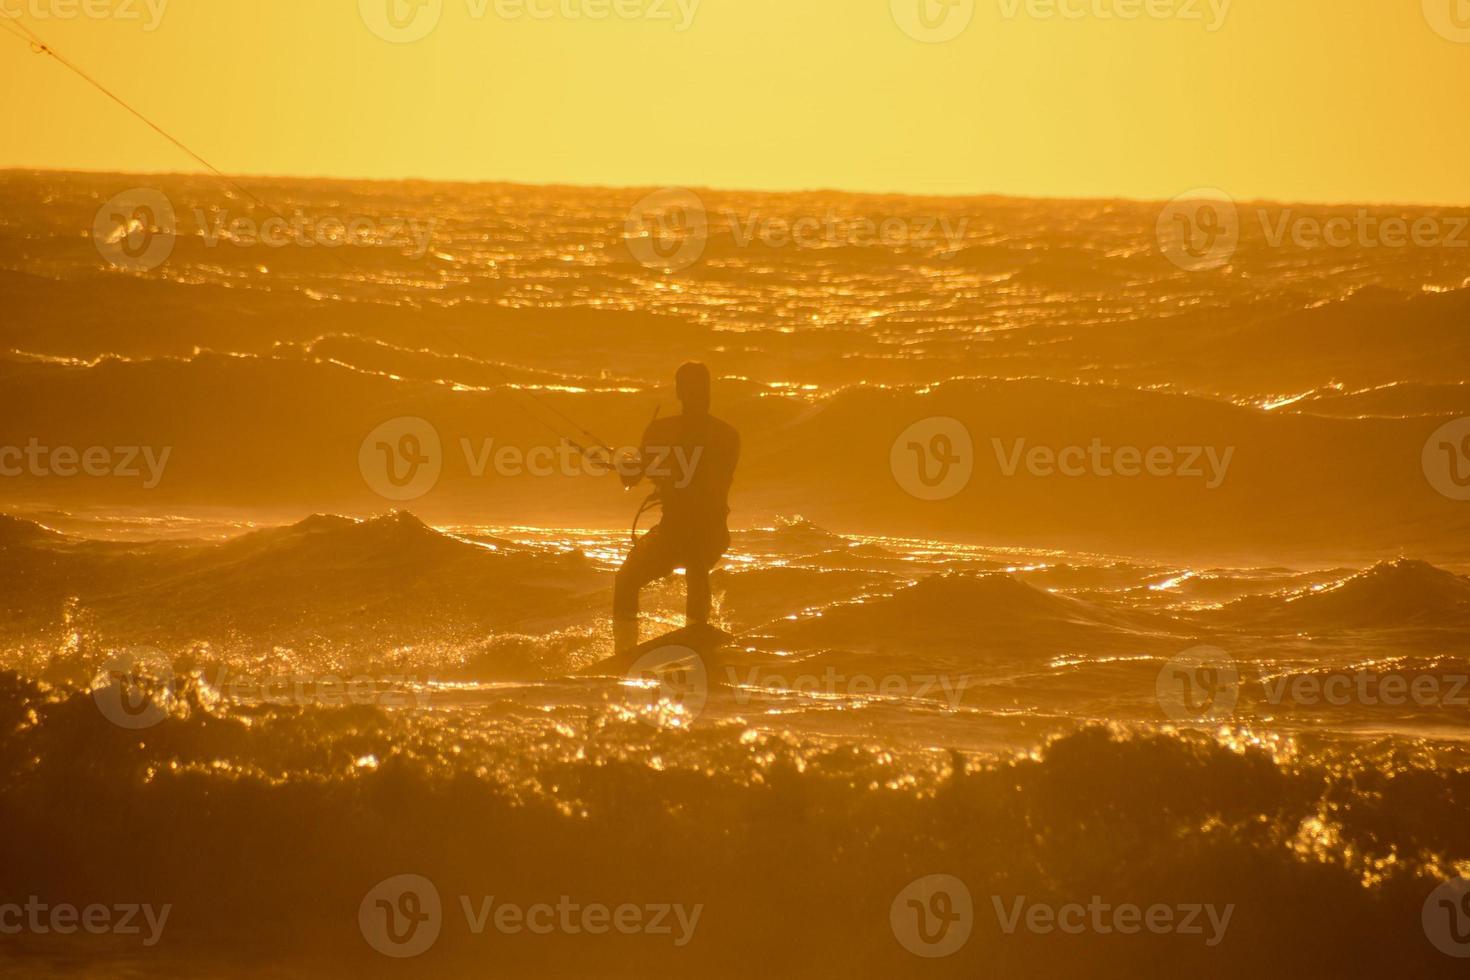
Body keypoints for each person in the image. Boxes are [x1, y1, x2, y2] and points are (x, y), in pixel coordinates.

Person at [613, 362, 740, 654]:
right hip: (674, 529)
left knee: (696, 562)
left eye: (701, 389)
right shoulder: (666, 431)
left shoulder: (722, 435)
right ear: (683, 393)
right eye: (693, 389)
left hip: (708, 530)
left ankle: (697, 634)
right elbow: (632, 476)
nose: (699, 395)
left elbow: (714, 484)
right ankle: (624, 651)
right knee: (626, 579)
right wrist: (630, 465)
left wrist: (666, 471)